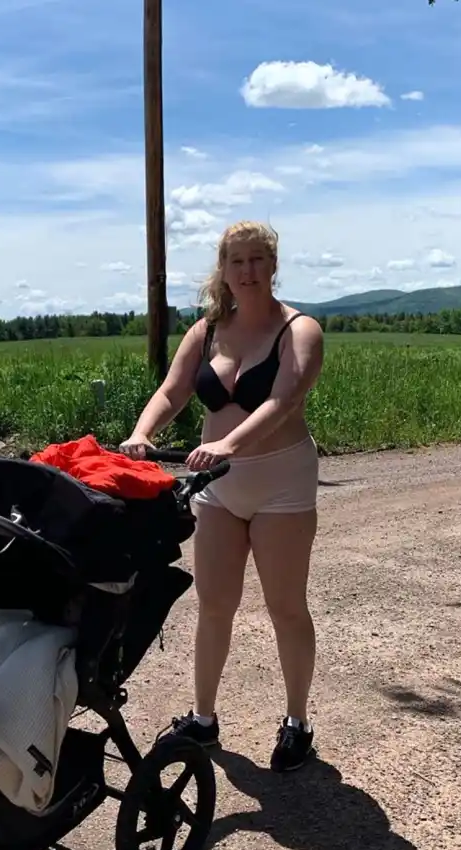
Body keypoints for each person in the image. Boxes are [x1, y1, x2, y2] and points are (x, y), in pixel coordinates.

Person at [120, 220, 324, 772]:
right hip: (217, 487)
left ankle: (298, 723)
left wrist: (227, 444)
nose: (248, 270)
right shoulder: (207, 331)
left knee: (286, 607)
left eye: (258, 259)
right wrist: (143, 433)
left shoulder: (299, 330)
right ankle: (204, 719)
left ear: (273, 265)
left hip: (280, 483)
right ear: (224, 269)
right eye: (238, 261)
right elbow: (172, 391)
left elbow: (283, 400)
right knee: (214, 605)